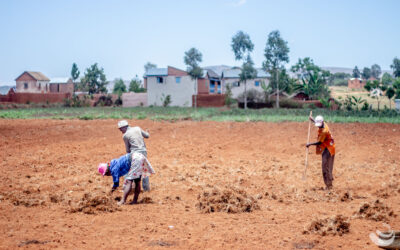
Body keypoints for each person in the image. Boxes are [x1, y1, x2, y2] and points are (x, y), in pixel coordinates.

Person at [117, 120, 151, 191]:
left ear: (124, 127)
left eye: (120, 129)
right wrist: (147, 131)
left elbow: (128, 150)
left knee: (128, 169)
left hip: (134, 154)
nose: (120, 131)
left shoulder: (125, 135)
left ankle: (126, 187)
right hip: (144, 152)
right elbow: (147, 136)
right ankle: (146, 189)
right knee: (144, 170)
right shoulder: (137, 128)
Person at [306, 115, 336, 190]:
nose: (318, 126)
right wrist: (313, 120)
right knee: (326, 166)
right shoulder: (323, 124)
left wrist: (310, 144)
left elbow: (319, 142)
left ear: (322, 122)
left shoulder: (324, 131)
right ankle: (329, 183)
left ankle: (329, 185)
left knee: (325, 167)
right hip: (327, 146)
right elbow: (319, 125)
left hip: (329, 149)